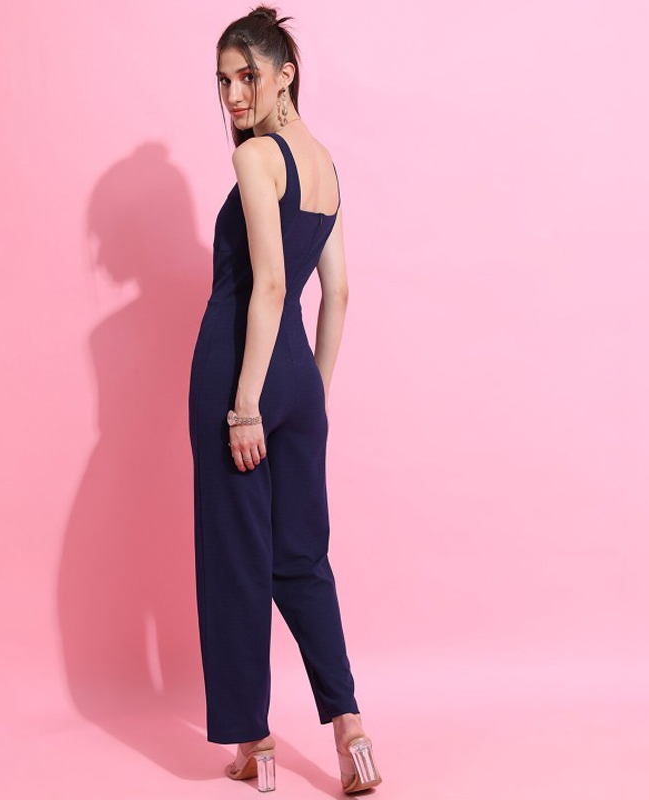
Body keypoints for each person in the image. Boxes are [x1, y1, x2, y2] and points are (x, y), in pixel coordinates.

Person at [187, 5, 382, 795]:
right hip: (299, 376)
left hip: (240, 370)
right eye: (223, 81)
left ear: (285, 75)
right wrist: (313, 397)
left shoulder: (256, 157)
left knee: (235, 558)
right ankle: (351, 731)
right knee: (301, 558)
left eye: (247, 76)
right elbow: (337, 291)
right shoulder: (325, 164)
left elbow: (268, 286)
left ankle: (256, 745)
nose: (235, 94)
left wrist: (245, 406)